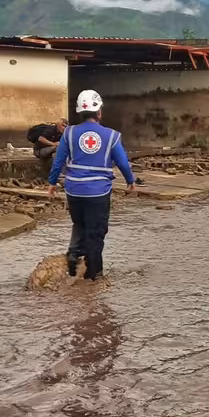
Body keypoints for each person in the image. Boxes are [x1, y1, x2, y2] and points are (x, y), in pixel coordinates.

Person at [47, 90, 135, 281]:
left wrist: (52, 183)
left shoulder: (69, 133)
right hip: (98, 192)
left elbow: (58, 161)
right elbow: (122, 162)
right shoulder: (111, 136)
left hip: (74, 190)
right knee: (96, 233)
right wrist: (130, 181)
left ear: (79, 112)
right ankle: (94, 278)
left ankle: (74, 253)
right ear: (99, 112)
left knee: (79, 223)